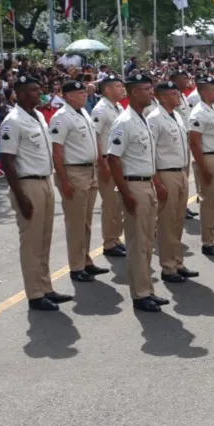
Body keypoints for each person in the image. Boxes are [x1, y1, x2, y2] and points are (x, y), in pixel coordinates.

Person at [0, 75, 70, 311]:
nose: (37, 93)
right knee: (31, 242)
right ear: (18, 94)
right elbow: (7, 162)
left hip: (44, 180)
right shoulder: (13, 121)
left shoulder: (38, 115)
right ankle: (35, 294)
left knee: (44, 239)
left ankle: (46, 286)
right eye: (31, 90)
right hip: (27, 184)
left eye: (39, 89)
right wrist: (21, 197)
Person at [106, 73, 167, 312]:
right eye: (145, 89)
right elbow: (113, 158)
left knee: (146, 241)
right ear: (133, 93)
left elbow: (145, 157)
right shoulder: (124, 122)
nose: (151, 92)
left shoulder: (141, 118)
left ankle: (147, 289)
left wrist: (156, 181)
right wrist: (126, 193)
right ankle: (140, 294)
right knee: (136, 242)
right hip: (133, 186)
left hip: (146, 184)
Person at [50, 80, 108, 283]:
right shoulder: (61, 118)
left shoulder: (83, 113)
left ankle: (85, 260)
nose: (84, 94)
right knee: (75, 222)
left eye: (84, 91)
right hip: (73, 171)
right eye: (79, 92)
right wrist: (64, 181)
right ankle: (76, 266)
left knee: (86, 220)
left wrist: (100, 164)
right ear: (67, 95)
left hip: (89, 170)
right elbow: (56, 152)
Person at [147, 80, 197, 284]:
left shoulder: (175, 115)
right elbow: (150, 152)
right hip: (165, 173)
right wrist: (157, 181)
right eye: (173, 93)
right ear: (163, 97)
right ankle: (168, 267)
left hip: (180, 172)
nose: (178, 96)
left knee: (177, 221)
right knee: (167, 222)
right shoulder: (154, 119)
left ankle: (178, 262)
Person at [188, 77, 214, 256]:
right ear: (203, 92)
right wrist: (203, 168)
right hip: (208, 158)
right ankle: (208, 241)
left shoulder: (212, 109)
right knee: (208, 202)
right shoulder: (199, 113)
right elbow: (195, 143)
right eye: (213, 89)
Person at [91, 74, 127, 258]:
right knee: (109, 203)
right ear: (107, 90)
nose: (122, 89)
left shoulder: (118, 107)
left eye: (122, 86)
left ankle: (116, 238)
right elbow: (95, 136)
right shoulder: (100, 109)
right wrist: (101, 164)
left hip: (118, 160)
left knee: (118, 203)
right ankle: (108, 242)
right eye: (118, 86)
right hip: (106, 160)